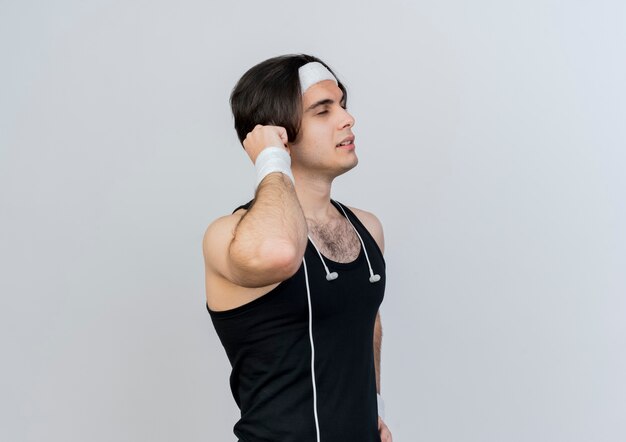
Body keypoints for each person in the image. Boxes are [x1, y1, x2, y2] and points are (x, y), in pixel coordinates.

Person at [203, 54, 392, 442]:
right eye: (323, 111)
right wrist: (271, 160)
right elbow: (281, 253)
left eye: (342, 104)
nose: (347, 119)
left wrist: (375, 407)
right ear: (279, 132)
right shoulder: (231, 236)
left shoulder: (367, 229)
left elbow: (367, 322)